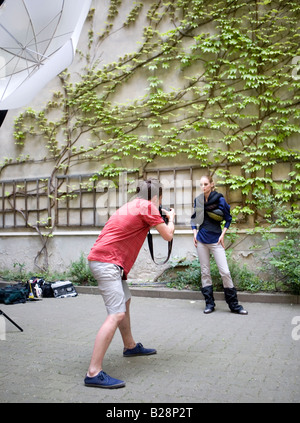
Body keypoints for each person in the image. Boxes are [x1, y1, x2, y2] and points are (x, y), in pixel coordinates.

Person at [84, 178, 175, 389]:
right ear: (155, 197)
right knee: (116, 314)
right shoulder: (147, 207)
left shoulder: (132, 205)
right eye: (160, 199)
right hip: (107, 263)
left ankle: (130, 346)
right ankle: (93, 372)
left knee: (125, 302)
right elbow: (168, 236)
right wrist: (171, 218)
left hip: (105, 261)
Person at [191, 175, 247, 315]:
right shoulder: (198, 200)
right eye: (201, 184)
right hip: (202, 241)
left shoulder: (220, 199)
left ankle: (234, 305)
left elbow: (228, 219)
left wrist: (222, 235)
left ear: (211, 184)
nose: (203, 187)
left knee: (225, 272)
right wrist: (194, 234)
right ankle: (209, 304)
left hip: (216, 241)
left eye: (205, 184)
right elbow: (194, 220)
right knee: (205, 272)